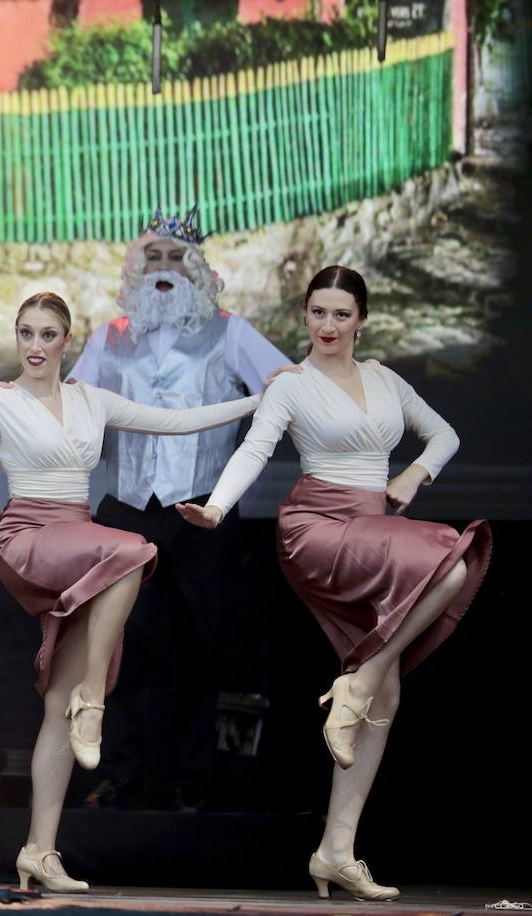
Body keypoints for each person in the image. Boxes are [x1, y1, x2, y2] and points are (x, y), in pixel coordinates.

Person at [0, 291, 261, 893]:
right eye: (25, 333)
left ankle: (39, 850)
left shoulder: (92, 399)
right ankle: (95, 699)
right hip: (28, 536)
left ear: (68, 340)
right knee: (134, 552)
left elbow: (180, 420)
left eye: (47, 334)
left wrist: (261, 398)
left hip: (79, 539)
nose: (34, 346)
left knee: (57, 702)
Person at [177, 266, 491, 901]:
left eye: (340, 314)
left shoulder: (383, 379)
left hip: (375, 534)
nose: (327, 326)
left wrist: (412, 477)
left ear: (361, 320)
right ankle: (354, 685)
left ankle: (335, 850)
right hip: (317, 528)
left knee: (389, 697)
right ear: (305, 316)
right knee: (452, 564)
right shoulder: (292, 385)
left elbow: (446, 434)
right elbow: (253, 450)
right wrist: (215, 506)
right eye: (317, 313)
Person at [66, 207, 290, 809]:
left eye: (175, 259)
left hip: (204, 514)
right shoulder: (106, 337)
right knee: (123, 646)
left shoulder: (232, 332)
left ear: (198, 270)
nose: (164, 270)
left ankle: (192, 782)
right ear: (136, 271)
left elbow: (290, 388)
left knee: (200, 644)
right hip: (130, 512)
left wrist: (248, 460)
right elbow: (70, 414)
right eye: (153, 258)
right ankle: (124, 773)